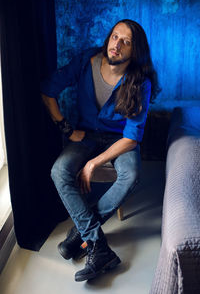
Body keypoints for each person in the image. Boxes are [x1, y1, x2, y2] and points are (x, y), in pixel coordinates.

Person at [40, 19, 160, 282]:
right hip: (86, 135)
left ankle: (80, 235)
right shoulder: (86, 61)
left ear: (135, 51)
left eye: (125, 41)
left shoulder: (141, 81)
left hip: (118, 140)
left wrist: (94, 163)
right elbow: (48, 89)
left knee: (131, 173)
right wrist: (67, 130)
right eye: (115, 36)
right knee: (59, 170)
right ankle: (98, 246)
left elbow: (131, 137)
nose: (116, 44)